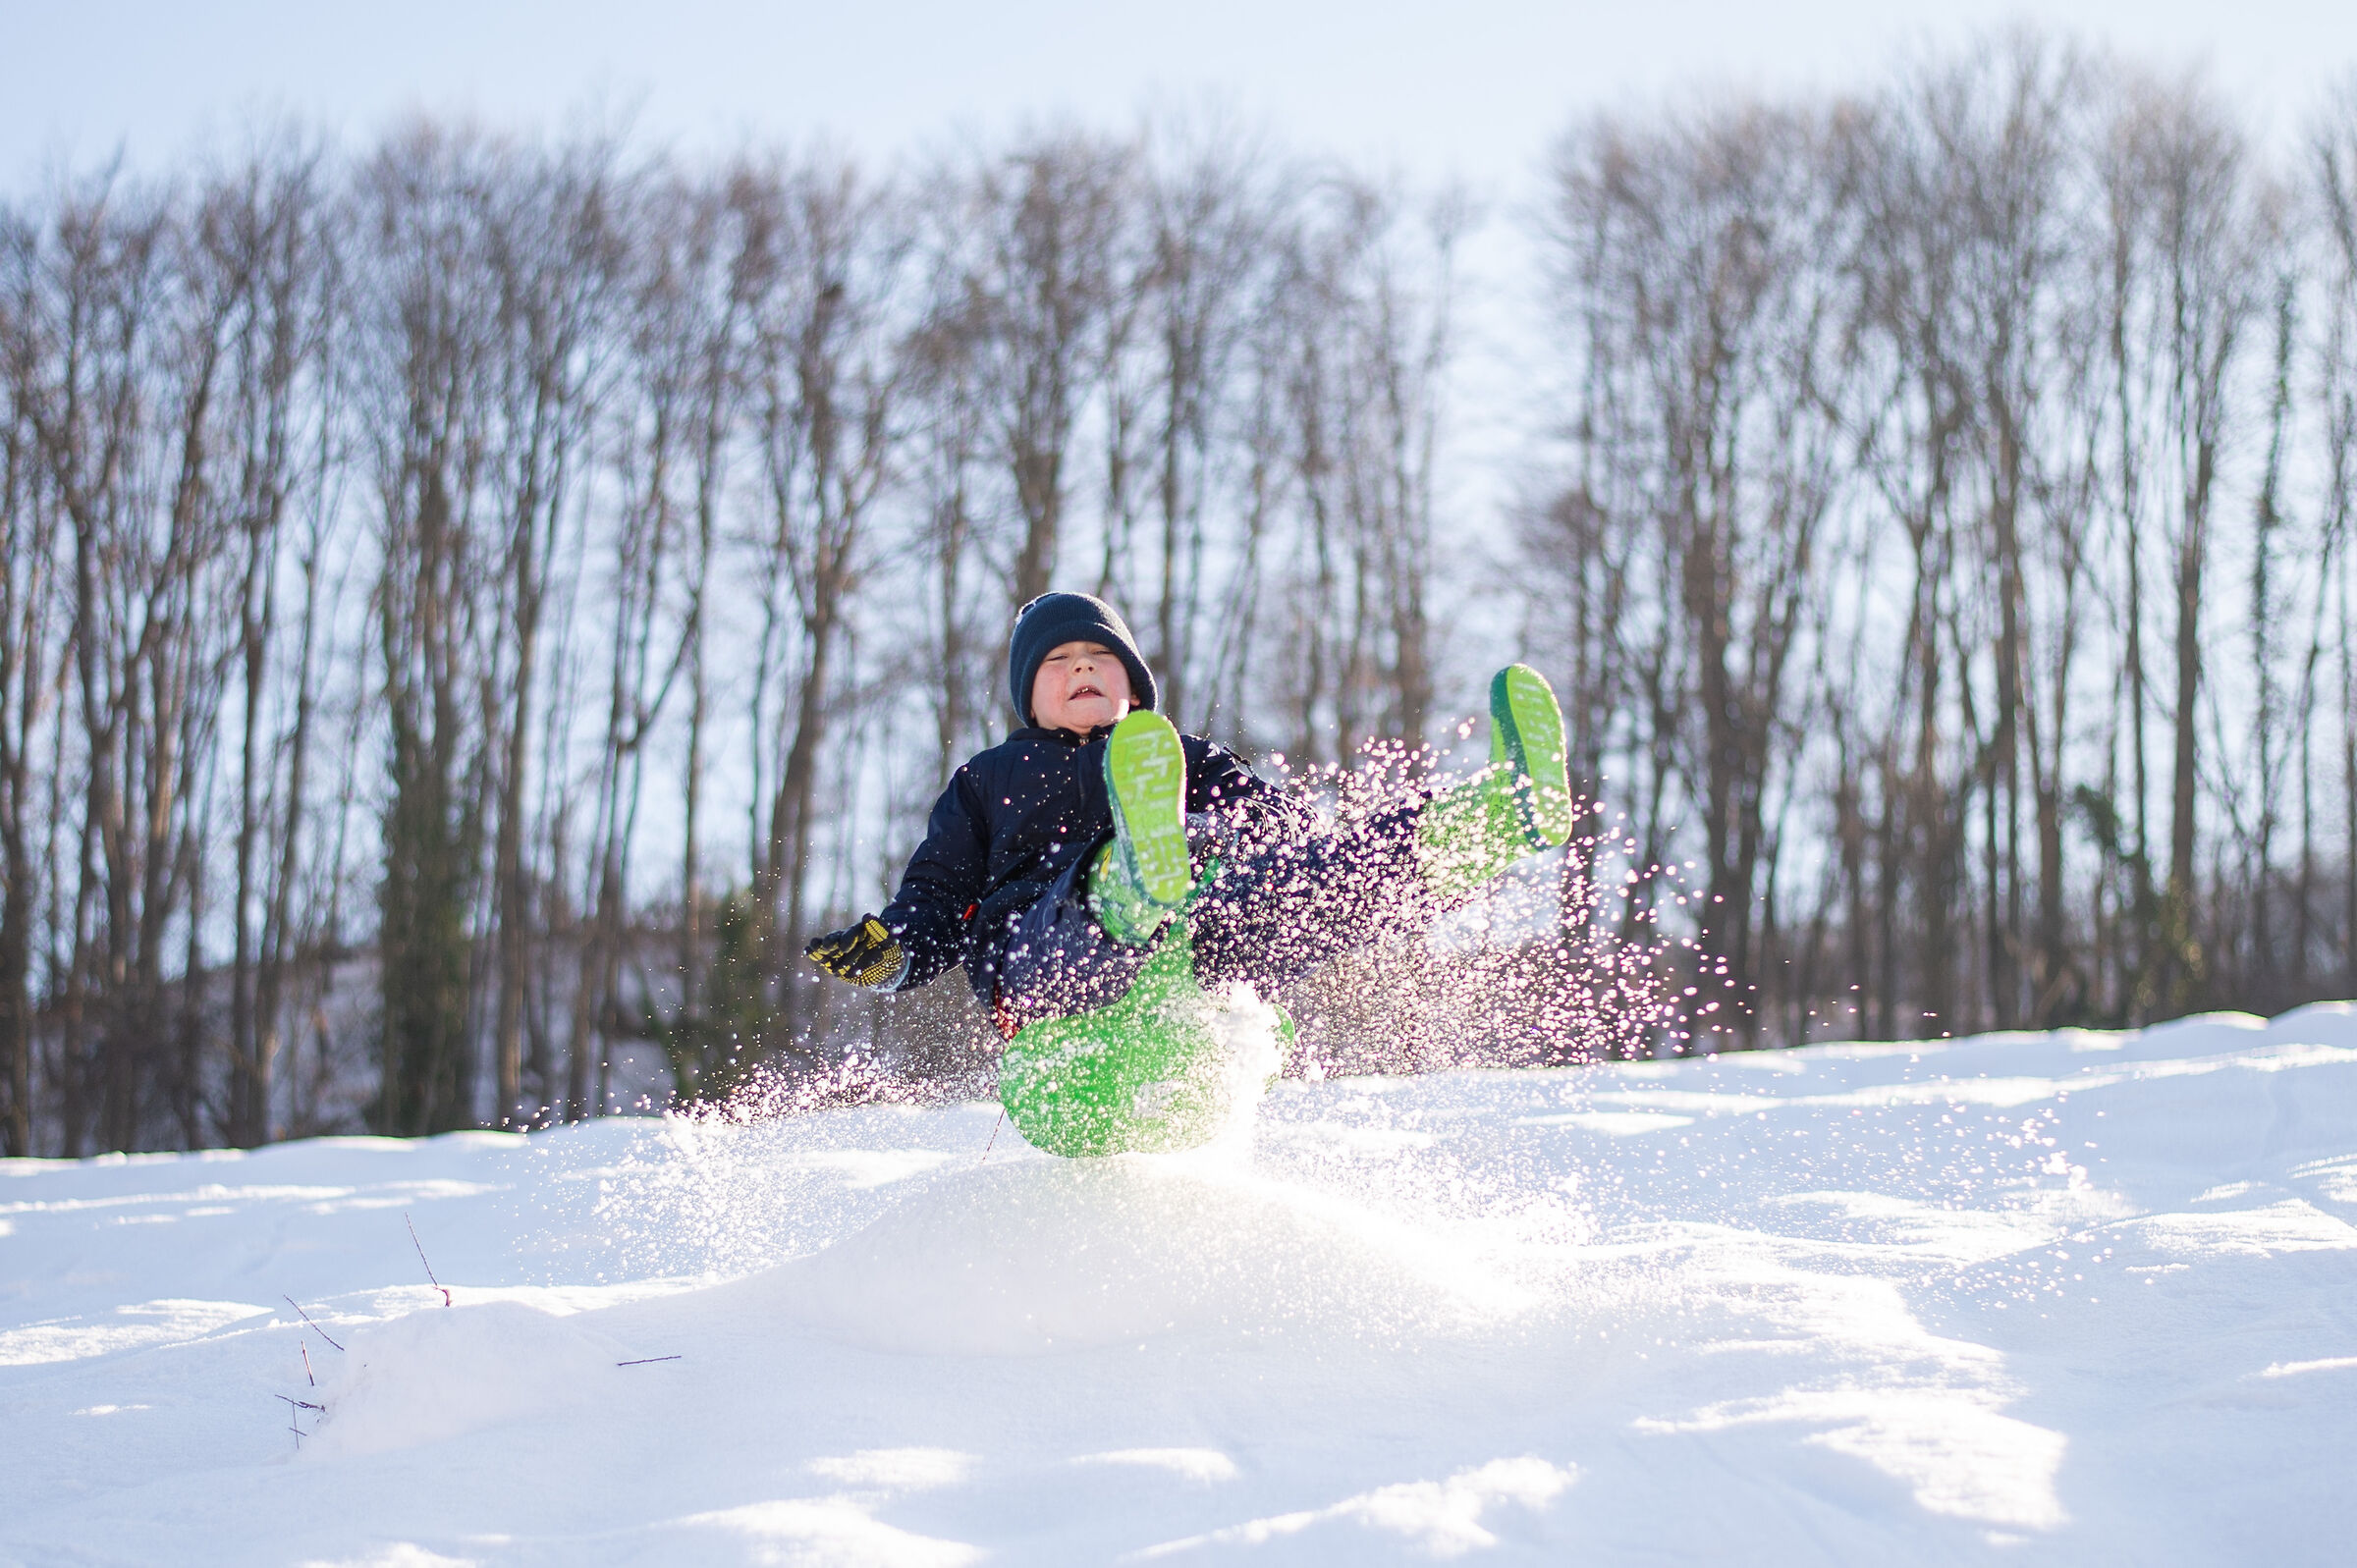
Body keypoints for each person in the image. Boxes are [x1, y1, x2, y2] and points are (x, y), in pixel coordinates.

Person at [805, 591, 1571, 1042]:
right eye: (1056, 660)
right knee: (1072, 910)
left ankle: (1499, 816)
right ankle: (1133, 875)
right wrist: (897, 950)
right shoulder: (987, 778)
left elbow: (1266, 815)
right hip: (1044, 966)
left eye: (1100, 657)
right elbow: (940, 893)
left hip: (1194, 944)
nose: (1080, 668)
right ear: (1026, 695)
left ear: (1134, 689)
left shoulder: (1181, 754)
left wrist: (1279, 848)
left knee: (1312, 888)